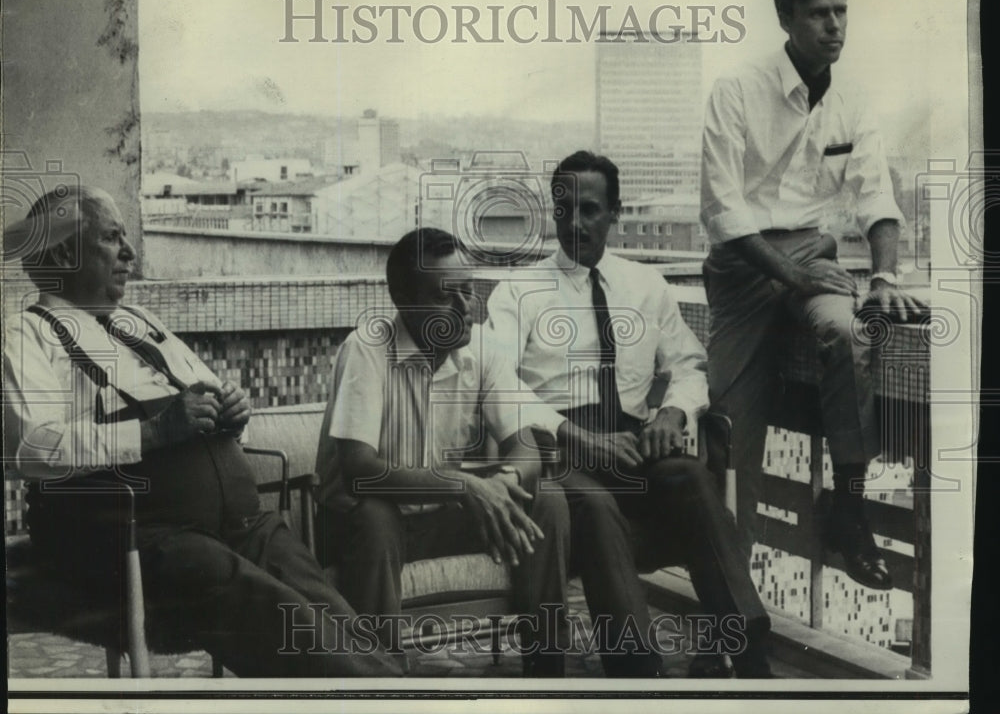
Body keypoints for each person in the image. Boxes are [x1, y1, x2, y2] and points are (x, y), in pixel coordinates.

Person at [3, 186, 401, 678]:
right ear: (65, 253)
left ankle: (395, 683)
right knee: (282, 619)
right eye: (112, 238)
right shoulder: (27, 334)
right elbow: (31, 448)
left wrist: (232, 410)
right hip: (135, 532)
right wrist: (150, 432)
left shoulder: (139, 322)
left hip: (236, 522)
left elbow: (206, 392)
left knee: (326, 604)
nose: (129, 253)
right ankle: (388, 698)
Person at [487, 151, 771, 679]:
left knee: (689, 473)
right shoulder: (518, 293)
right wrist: (576, 436)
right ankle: (638, 667)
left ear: (614, 212)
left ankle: (749, 645)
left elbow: (689, 364)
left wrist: (674, 413)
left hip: (631, 445)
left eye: (591, 209)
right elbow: (496, 384)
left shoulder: (646, 286)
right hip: (558, 454)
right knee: (594, 506)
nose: (576, 223)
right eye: (565, 208)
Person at [699, 0, 926, 589]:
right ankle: (730, 616)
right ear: (786, 19)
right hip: (745, 271)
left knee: (851, 337)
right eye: (820, 13)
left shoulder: (851, 98)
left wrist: (883, 280)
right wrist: (793, 279)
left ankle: (847, 511)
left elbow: (876, 197)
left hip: (813, 256)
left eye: (842, 11)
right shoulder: (737, 90)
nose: (835, 26)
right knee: (730, 442)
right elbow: (722, 211)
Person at [313, 227, 570, 677]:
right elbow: (358, 470)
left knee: (545, 499)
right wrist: (467, 485)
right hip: (360, 524)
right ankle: (383, 686)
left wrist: (504, 484)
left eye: (469, 292)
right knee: (376, 515)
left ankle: (548, 678)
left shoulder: (481, 348)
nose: (466, 309)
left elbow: (526, 442)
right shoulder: (367, 349)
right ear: (402, 299)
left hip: (436, 515)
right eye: (445, 297)